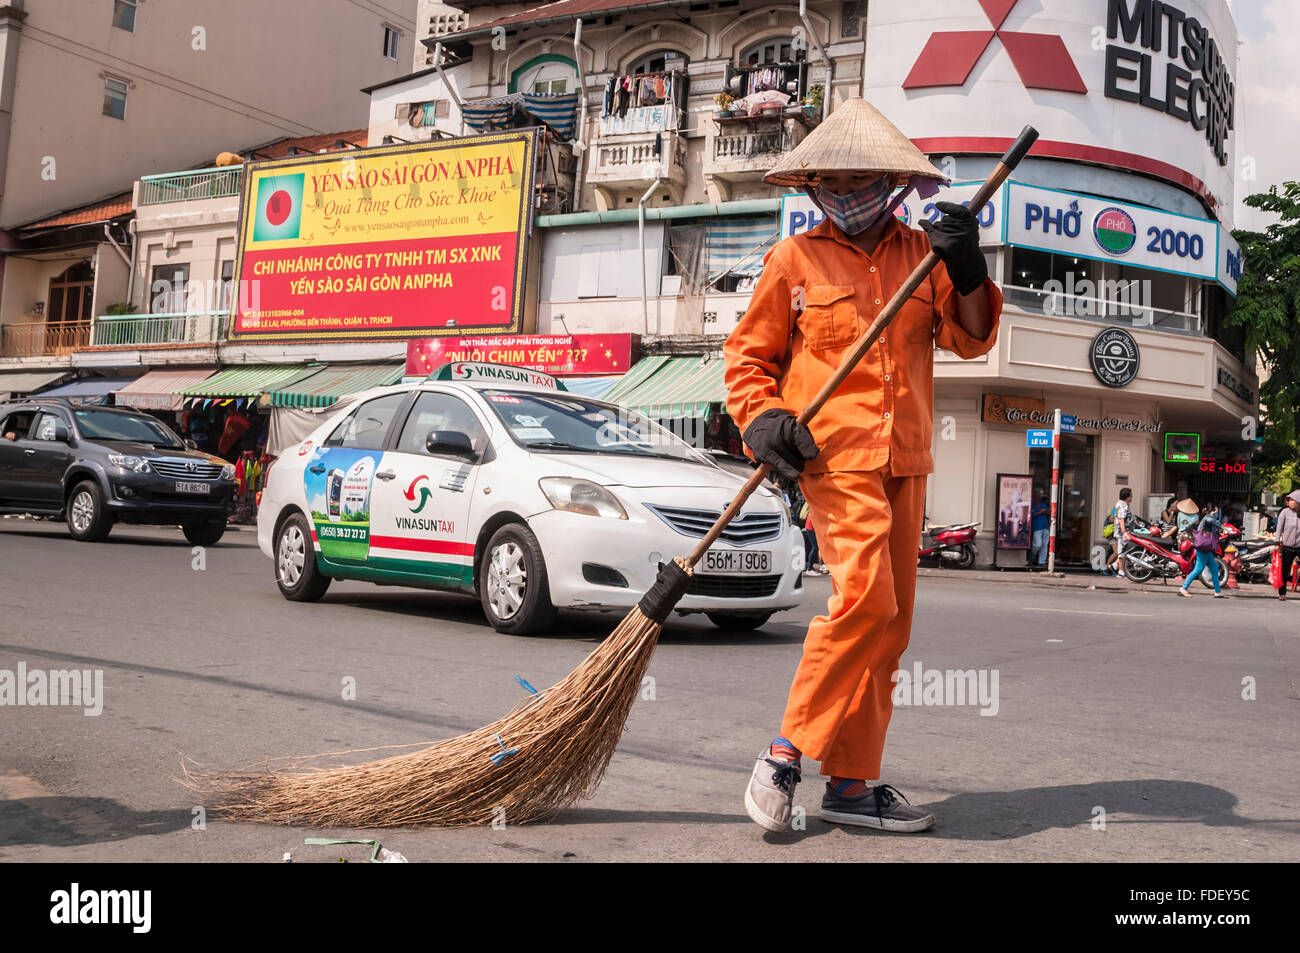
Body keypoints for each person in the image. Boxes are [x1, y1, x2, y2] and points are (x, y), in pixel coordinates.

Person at [727, 98, 1001, 834]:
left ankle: (850, 783)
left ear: (895, 183)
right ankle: (784, 753)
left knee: (891, 627)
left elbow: (973, 338)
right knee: (866, 604)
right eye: (834, 184)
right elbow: (748, 360)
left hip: (905, 460)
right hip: (836, 459)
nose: (849, 196)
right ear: (814, 187)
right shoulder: (793, 259)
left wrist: (967, 263)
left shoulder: (925, 256)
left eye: (862, 182)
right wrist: (762, 420)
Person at [1180, 500, 1227, 598]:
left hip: (1206, 549)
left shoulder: (1208, 519)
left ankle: (1217, 592)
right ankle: (1183, 588)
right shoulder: (1208, 518)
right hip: (1203, 549)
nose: (1217, 514)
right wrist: (1222, 526)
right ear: (1213, 512)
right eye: (1216, 512)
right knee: (1198, 569)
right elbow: (1210, 520)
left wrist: (1220, 529)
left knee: (1214, 569)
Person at [1275, 490, 1300, 601]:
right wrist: (1277, 542)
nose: (1290, 502)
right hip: (1287, 546)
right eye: (1289, 500)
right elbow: (1279, 528)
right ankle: (1282, 592)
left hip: (1299, 546)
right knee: (1285, 571)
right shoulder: (1285, 512)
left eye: (1292, 500)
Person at [1104, 487, 1132, 577]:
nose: (1132, 497)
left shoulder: (1124, 504)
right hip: (1120, 532)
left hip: (1121, 532)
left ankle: (1114, 566)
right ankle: (1117, 570)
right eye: (1131, 495)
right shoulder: (1122, 505)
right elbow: (1120, 519)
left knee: (1123, 551)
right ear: (1127, 496)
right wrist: (1124, 532)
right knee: (1119, 552)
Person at [1030, 491, 1050, 566]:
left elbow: (1048, 513)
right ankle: (1032, 557)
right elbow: (1031, 515)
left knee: (1045, 544)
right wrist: (1040, 512)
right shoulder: (1032, 504)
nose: (1041, 497)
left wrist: (1047, 512)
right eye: (1039, 496)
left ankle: (1042, 561)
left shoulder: (1043, 504)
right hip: (1037, 526)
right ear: (1035, 496)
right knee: (1037, 544)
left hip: (1045, 526)